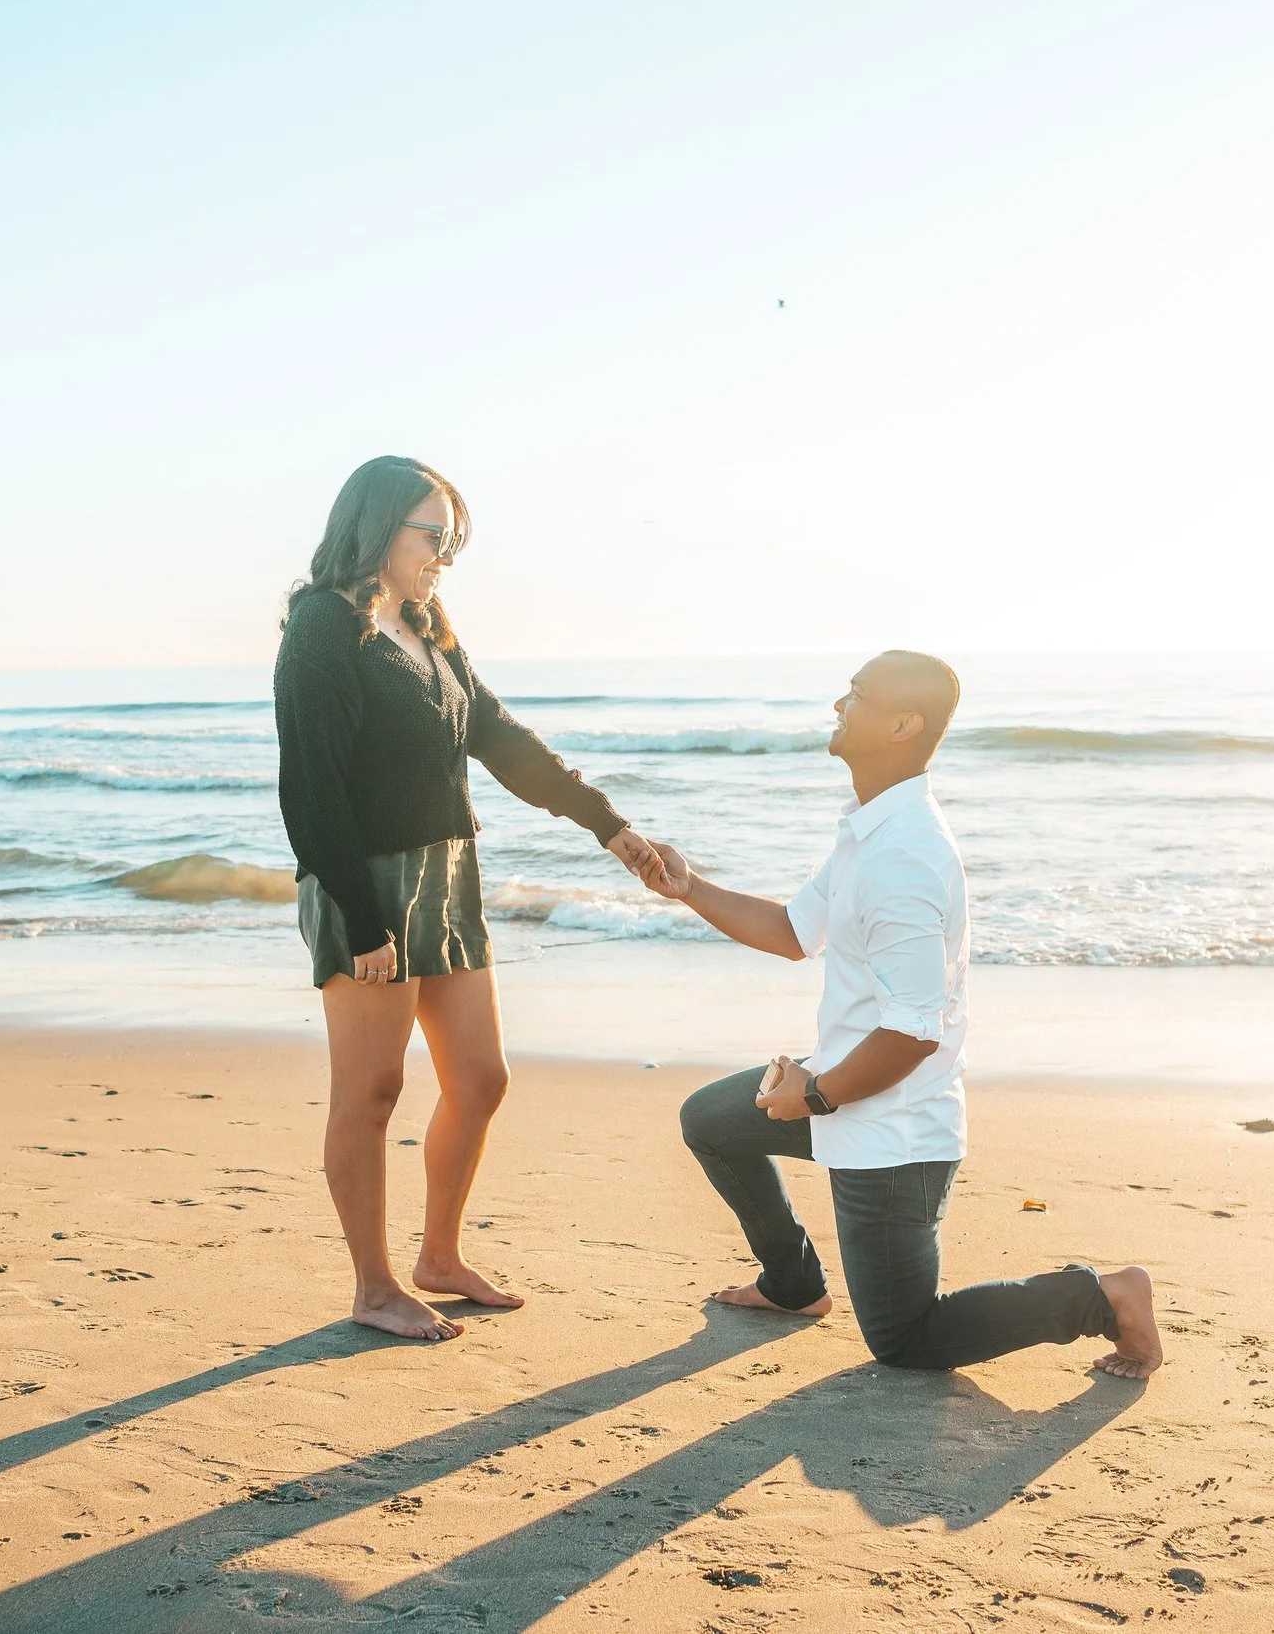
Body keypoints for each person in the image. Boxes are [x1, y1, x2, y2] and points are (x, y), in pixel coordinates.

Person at [642, 651, 1165, 1377]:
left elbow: (916, 1030)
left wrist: (814, 1094)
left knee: (906, 1341)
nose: (837, 706)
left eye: (855, 695)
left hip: (896, 1137)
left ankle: (1104, 1297)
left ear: (903, 724)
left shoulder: (905, 857)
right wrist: (690, 887)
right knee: (711, 1120)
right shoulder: (870, 831)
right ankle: (792, 1287)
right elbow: (795, 932)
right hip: (847, 1088)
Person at [274, 456, 664, 1341]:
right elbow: (310, 788)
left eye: (452, 538)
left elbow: (496, 736)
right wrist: (362, 918)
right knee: (370, 1091)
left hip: (448, 876)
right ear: (376, 530)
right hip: (364, 883)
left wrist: (608, 825)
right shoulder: (323, 629)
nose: (444, 555)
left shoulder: (425, 622)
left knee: (481, 1078)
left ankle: (437, 1258)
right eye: (432, 536)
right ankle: (374, 1289)